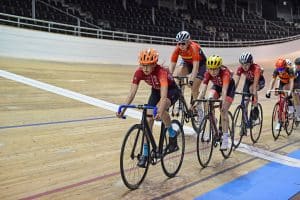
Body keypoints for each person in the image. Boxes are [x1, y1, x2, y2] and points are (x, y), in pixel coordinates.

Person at [116, 48, 181, 167]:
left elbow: (163, 96)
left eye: (148, 65)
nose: (145, 68)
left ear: (154, 64)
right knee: (148, 119)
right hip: (155, 91)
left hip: (171, 91)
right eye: (143, 65)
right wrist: (123, 109)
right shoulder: (139, 72)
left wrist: (160, 111)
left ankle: (172, 134)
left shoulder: (161, 72)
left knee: (159, 109)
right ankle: (145, 153)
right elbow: (131, 93)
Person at [196, 55, 236, 150]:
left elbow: (224, 91)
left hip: (229, 88)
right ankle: (213, 120)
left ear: (219, 68)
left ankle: (225, 139)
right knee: (208, 101)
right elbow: (203, 90)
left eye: (215, 69)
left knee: (223, 110)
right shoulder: (207, 73)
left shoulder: (225, 73)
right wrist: (196, 102)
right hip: (217, 86)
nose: (213, 72)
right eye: (211, 69)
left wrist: (222, 102)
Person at [169, 31, 207, 111]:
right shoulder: (177, 49)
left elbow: (196, 67)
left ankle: (199, 111)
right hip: (188, 63)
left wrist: (191, 80)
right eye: (178, 43)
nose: (180, 46)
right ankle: (180, 99)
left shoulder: (194, 47)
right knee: (178, 74)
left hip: (200, 65)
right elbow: (172, 65)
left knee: (194, 87)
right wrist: (168, 77)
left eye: (183, 43)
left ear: (188, 42)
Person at [234, 52, 265, 124]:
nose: (244, 67)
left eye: (246, 64)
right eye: (242, 64)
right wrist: (233, 90)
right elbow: (236, 81)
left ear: (251, 63)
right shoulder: (240, 68)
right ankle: (245, 123)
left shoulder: (256, 68)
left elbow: (255, 83)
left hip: (259, 81)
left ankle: (255, 108)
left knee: (252, 89)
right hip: (248, 81)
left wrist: (254, 94)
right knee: (245, 103)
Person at [266, 58, 295, 130]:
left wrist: (290, 91)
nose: (280, 71)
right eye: (279, 69)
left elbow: (291, 82)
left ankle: (291, 106)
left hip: (289, 83)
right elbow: (273, 81)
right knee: (280, 98)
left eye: (282, 69)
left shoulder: (290, 70)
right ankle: (280, 122)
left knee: (286, 89)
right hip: (282, 82)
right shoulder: (276, 70)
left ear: (285, 67)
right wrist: (269, 90)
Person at [293, 57, 300, 123]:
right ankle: (297, 114)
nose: (297, 66)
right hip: (296, 87)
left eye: (298, 65)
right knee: (296, 98)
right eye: (296, 65)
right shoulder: (294, 70)